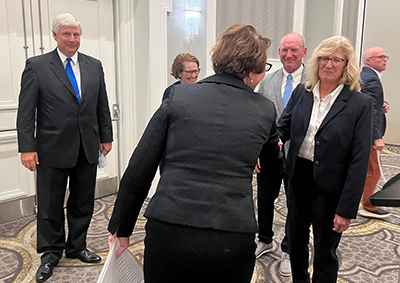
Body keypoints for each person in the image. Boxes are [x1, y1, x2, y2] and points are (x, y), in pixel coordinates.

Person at [108, 24, 281, 283]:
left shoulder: (179, 96)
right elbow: (273, 170)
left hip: (169, 228)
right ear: (254, 71)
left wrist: (122, 226)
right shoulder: (265, 110)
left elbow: (142, 163)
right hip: (232, 234)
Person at [16, 13, 113, 283]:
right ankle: (50, 252)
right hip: (50, 149)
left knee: (82, 201)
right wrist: (27, 147)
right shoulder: (36, 66)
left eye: (76, 34)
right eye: (67, 34)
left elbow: (101, 104)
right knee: (50, 204)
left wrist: (107, 136)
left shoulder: (94, 66)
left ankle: (77, 246)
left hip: (87, 146)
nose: (72, 39)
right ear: (55, 35)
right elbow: (26, 112)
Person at [277, 36, 372, 283]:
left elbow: (359, 160)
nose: (329, 64)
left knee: (325, 252)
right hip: (298, 181)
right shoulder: (303, 92)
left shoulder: (359, 104)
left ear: (346, 65)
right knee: (295, 243)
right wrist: (274, 140)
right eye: (324, 58)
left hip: (332, 189)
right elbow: (283, 126)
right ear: (316, 61)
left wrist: (346, 210)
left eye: (336, 59)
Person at [256, 32, 307, 277]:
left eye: (294, 50)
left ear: (304, 52)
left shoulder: (314, 82)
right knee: (265, 199)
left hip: (301, 158)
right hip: (269, 154)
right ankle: (264, 239)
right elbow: (259, 118)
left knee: (296, 205)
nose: (288, 54)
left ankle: (289, 250)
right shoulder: (268, 81)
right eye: (284, 50)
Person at [358, 47, 391, 219]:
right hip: (368, 135)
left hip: (364, 132)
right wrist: (376, 137)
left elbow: (370, 101)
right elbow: (370, 109)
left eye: (385, 57)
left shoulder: (367, 77)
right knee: (373, 171)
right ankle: (368, 205)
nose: (385, 59)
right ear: (368, 61)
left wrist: (382, 103)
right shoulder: (371, 80)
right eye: (380, 57)